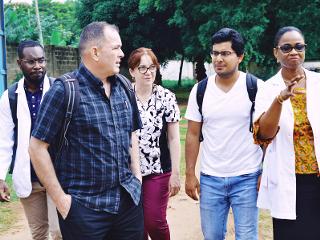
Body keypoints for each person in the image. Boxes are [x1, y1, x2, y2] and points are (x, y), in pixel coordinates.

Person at [28, 21, 144, 240]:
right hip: (84, 209)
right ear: (95, 52)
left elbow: (133, 132)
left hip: (128, 201)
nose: (122, 53)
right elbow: (37, 147)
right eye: (116, 47)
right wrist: (62, 201)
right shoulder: (64, 91)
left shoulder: (125, 87)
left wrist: (136, 175)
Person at [184, 28, 263, 240]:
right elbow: (192, 134)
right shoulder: (200, 90)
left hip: (247, 176)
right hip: (211, 179)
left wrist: (265, 172)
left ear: (240, 56)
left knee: (247, 236)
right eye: (215, 53)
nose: (218, 59)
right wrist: (190, 174)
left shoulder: (255, 87)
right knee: (212, 236)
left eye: (225, 53)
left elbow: (267, 134)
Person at [254, 26, 320, 240]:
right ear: (276, 52)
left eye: (299, 46)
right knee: (290, 235)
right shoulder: (267, 88)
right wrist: (280, 99)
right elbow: (263, 133)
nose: (293, 51)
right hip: (287, 178)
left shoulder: (318, 83)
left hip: (316, 177)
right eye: (287, 47)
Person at [0, 40, 62, 240]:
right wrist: (1, 177)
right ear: (20, 63)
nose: (38, 66)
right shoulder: (10, 97)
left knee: (60, 232)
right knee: (38, 234)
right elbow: (4, 140)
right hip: (29, 176)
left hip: (57, 174)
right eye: (31, 61)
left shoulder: (58, 89)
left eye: (41, 60)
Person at [128, 47, 181, 240]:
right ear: (132, 71)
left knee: (154, 221)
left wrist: (175, 173)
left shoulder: (166, 97)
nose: (148, 72)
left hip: (158, 171)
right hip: (129, 172)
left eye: (152, 67)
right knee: (136, 225)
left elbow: (174, 138)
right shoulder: (124, 97)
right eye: (142, 68)